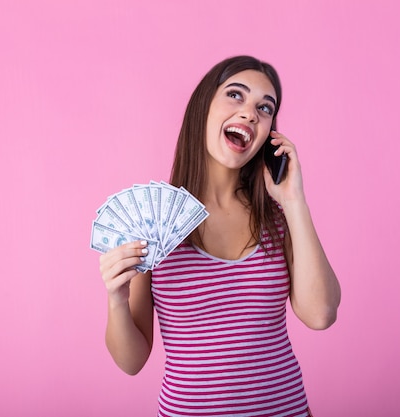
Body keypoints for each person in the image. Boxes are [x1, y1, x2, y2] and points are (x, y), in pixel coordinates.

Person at [99, 55, 341, 417]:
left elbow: (320, 314)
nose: (250, 113)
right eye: (235, 96)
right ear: (203, 107)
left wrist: (294, 200)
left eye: (265, 107)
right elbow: (131, 362)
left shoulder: (276, 215)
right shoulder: (154, 220)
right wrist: (116, 299)